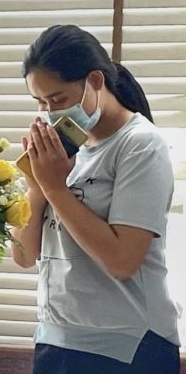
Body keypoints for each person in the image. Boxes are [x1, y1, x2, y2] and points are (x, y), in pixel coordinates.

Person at [12, 25, 181, 374]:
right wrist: (36, 187)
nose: (49, 112)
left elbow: (122, 261)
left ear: (95, 81)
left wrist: (56, 188)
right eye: (41, 102)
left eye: (58, 99)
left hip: (127, 345)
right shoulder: (60, 153)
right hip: (55, 339)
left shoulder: (140, 144)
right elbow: (25, 255)